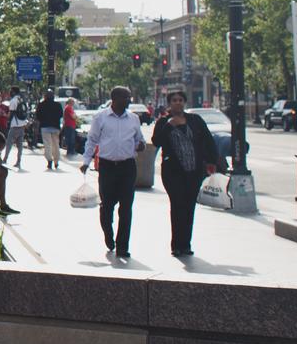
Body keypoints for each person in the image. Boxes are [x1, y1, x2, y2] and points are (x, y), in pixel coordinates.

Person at [151, 91, 221, 258]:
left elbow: (208, 141)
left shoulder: (195, 121)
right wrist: (169, 126)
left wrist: (212, 161)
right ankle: (176, 245)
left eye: (181, 100)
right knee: (177, 205)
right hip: (172, 171)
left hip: (193, 170)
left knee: (189, 207)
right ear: (169, 103)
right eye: (174, 100)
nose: (178, 103)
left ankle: (186, 244)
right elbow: (156, 141)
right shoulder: (163, 122)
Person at [81, 86, 146, 260]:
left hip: (127, 167)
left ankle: (123, 246)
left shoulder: (133, 119)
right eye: (126, 97)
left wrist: (141, 144)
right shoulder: (101, 118)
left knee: (126, 207)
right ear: (115, 99)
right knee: (107, 206)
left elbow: (140, 139)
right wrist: (86, 162)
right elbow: (92, 140)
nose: (129, 100)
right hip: (108, 167)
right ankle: (108, 235)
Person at [36, 88, 65, 169]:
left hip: (45, 127)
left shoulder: (41, 105)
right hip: (55, 127)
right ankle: (56, 161)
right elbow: (60, 114)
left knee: (47, 144)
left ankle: (49, 160)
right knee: (56, 144)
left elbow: (38, 115)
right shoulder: (58, 105)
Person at [6, 86, 33, 169]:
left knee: (9, 143)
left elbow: (11, 113)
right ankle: (18, 161)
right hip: (22, 124)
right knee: (20, 145)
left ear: (13, 92)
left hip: (15, 124)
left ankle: (5, 159)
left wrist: (7, 121)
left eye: (11, 91)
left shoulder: (13, 100)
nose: (10, 92)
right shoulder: (21, 99)